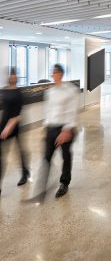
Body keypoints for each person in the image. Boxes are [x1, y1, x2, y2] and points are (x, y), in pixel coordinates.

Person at [36, 64, 79, 198]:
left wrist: (66, 130)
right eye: (53, 73)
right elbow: (48, 111)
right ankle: (41, 186)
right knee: (47, 156)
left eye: (56, 73)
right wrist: (46, 126)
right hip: (52, 128)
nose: (54, 75)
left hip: (65, 128)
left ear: (61, 74)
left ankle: (64, 183)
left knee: (66, 156)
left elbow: (72, 112)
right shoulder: (50, 92)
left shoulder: (70, 90)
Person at [0, 68, 30, 195]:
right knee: (2, 156)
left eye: (14, 75)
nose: (12, 77)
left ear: (16, 77)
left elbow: (18, 114)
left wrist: (9, 127)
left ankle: (25, 173)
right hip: (4, 125)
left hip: (15, 125)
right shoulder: (3, 90)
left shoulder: (19, 93)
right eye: (11, 75)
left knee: (20, 150)